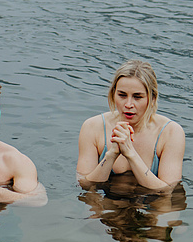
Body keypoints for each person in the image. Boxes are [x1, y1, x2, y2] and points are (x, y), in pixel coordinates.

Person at [76, 59, 185, 192]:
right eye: (122, 95)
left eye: (137, 97)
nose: (128, 104)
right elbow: (85, 185)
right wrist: (111, 154)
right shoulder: (92, 127)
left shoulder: (171, 132)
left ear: (152, 99)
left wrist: (130, 154)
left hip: (151, 203)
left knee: (166, 208)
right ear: (113, 94)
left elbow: (167, 191)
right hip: (109, 199)